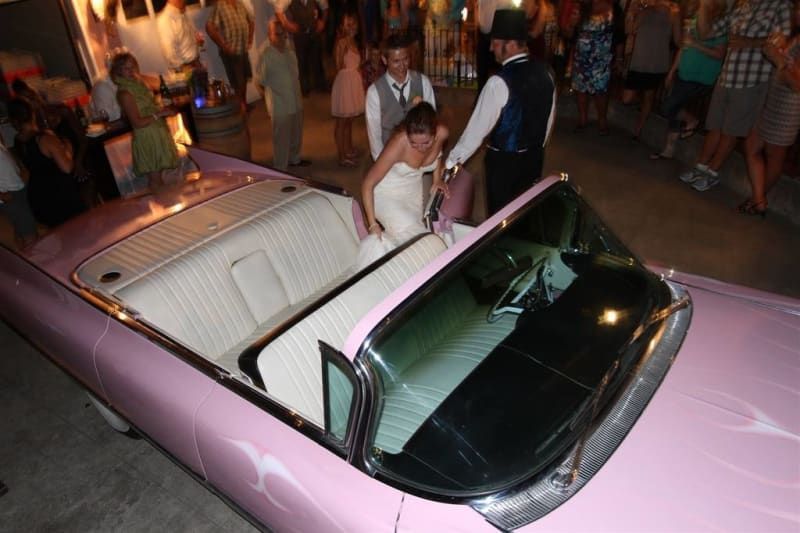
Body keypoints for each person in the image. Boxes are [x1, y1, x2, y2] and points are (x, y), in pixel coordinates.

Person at [446, 9, 555, 216]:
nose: (490, 48)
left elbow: (474, 134)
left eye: (495, 43)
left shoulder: (498, 82)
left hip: (504, 165)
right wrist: (536, 149)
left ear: (511, 44)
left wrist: (449, 165)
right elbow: (548, 121)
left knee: (500, 218)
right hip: (534, 159)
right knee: (524, 214)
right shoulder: (547, 74)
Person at [679, 0, 792, 192]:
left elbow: (784, 42)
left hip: (752, 79)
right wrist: (704, 5)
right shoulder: (742, 5)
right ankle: (700, 167)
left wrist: (751, 42)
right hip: (727, 75)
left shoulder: (780, 5)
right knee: (714, 126)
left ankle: (712, 173)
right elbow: (707, 33)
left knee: (731, 131)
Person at [357, 102, 448, 269]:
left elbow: (438, 154)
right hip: (386, 194)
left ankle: (393, 267)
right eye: (414, 143)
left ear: (435, 133)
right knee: (416, 237)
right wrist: (372, 224)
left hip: (412, 193)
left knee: (409, 235)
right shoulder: (399, 142)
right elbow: (368, 183)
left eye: (426, 143)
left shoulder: (442, 133)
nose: (420, 148)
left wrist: (437, 179)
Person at [741, 6, 800, 217]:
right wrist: (777, 49)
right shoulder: (795, 35)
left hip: (789, 105)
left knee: (774, 155)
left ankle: (757, 200)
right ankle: (759, 199)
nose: (798, 12)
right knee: (752, 146)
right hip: (775, 99)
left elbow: (797, 84)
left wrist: (778, 59)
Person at [650, 0, 727, 159]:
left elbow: (719, 54)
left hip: (701, 77)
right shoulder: (695, 19)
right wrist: (672, 70)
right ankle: (668, 149)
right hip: (684, 72)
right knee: (674, 108)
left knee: (668, 107)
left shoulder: (720, 25)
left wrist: (696, 44)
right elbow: (683, 46)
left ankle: (691, 120)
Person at [7, 98, 86, 228]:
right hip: (60, 196)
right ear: (32, 113)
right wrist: (68, 147)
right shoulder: (44, 138)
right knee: (80, 229)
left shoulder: (18, 140)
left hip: (38, 195)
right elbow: (67, 168)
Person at [110, 52, 179, 191]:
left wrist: (140, 76)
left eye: (133, 67)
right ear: (118, 71)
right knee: (155, 180)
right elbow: (137, 123)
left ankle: (163, 201)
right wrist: (160, 113)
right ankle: (160, 203)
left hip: (156, 133)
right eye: (126, 68)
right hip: (146, 137)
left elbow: (158, 84)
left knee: (159, 178)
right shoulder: (124, 93)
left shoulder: (138, 84)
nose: (131, 71)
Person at [365, 33, 436, 160]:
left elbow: (431, 121)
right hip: (390, 155)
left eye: (406, 59)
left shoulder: (423, 82)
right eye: (396, 61)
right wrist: (381, 161)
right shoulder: (374, 92)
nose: (402, 66)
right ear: (384, 60)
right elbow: (374, 133)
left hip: (419, 154)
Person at [257, 19, 311, 171]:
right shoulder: (267, 56)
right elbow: (260, 80)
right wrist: (269, 98)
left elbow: (296, 75)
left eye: (284, 34)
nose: (281, 38)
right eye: (277, 34)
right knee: (281, 139)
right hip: (280, 105)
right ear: (270, 35)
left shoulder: (290, 52)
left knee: (296, 133)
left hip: (295, 100)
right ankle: (281, 167)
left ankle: (295, 159)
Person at [623, 0, 681, 139]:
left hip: (657, 63)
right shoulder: (645, 10)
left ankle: (638, 129)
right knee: (626, 98)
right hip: (639, 61)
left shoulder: (673, 13)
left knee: (649, 96)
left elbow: (678, 41)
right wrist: (631, 13)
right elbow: (629, 30)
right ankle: (639, 105)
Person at [563, 0, 616, 134]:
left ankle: (602, 121)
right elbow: (569, 34)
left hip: (601, 60)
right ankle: (582, 119)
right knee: (581, 89)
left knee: (600, 92)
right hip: (582, 58)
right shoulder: (582, 8)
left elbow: (619, 35)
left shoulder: (612, 8)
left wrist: (618, 58)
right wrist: (571, 24)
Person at [332, 12, 366, 166]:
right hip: (345, 83)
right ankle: (341, 155)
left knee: (350, 120)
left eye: (354, 23)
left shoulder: (353, 41)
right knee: (342, 121)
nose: (352, 27)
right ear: (343, 26)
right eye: (348, 24)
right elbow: (338, 66)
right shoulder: (342, 42)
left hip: (353, 82)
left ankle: (348, 148)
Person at [275, 0, 329, 96]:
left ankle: (321, 85)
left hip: (314, 32)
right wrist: (287, 25)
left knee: (317, 60)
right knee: (302, 62)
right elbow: (278, 11)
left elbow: (325, 7)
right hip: (300, 34)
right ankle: (305, 88)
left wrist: (323, 22)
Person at [205, 0, 254, 103]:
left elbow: (251, 20)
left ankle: (243, 104)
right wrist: (223, 46)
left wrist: (250, 39)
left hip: (242, 48)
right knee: (237, 81)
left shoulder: (240, 4)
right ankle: (241, 106)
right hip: (231, 51)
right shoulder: (220, 5)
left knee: (244, 78)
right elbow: (209, 27)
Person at [0, 137, 38, 248]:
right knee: (29, 233)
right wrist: (1, 196)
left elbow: (6, 153)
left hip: (18, 186)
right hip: (8, 194)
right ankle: (33, 257)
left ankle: (22, 252)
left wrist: (21, 168)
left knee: (21, 227)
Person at [477, 0, 515, 91]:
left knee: (497, 69)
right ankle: (482, 93)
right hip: (483, 35)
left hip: (498, 35)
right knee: (482, 71)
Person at [158, 0, 204, 71]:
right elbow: (169, 52)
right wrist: (184, 69)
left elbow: (189, 39)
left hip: (196, 64)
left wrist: (197, 42)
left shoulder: (183, 13)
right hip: (187, 69)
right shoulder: (165, 19)